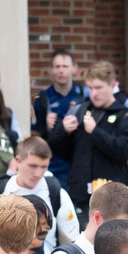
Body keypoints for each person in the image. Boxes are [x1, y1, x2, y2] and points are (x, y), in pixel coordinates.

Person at [48, 60, 128, 227]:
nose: (93, 93)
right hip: (81, 194)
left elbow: (124, 151)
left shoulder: (124, 115)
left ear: (113, 85)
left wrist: (96, 132)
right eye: (90, 88)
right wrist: (63, 131)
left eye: (98, 88)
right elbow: (59, 152)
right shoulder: (81, 110)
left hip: (111, 197)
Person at [0, 136, 80, 254]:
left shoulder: (55, 192)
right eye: (33, 166)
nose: (38, 173)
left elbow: (71, 240)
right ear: (18, 161)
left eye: (44, 167)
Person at [31, 49, 85, 184]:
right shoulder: (43, 99)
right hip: (52, 164)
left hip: (77, 161)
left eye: (65, 66)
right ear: (51, 70)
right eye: (57, 67)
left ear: (74, 69)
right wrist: (46, 125)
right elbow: (36, 134)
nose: (61, 71)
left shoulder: (84, 96)